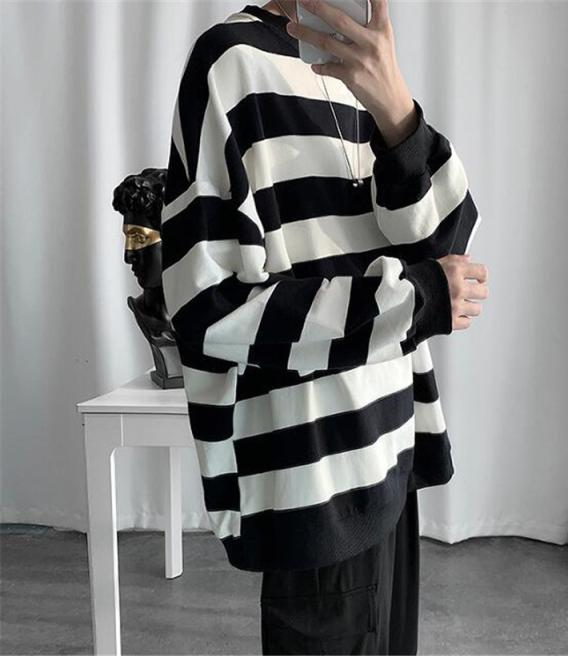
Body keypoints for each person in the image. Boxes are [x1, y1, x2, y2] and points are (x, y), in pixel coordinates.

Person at [160, 1, 489, 653]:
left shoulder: (361, 69)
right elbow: (208, 307)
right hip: (313, 473)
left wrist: (397, 110)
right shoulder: (231, 62)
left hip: (389, 451)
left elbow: (447, 243)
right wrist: (414, 300)